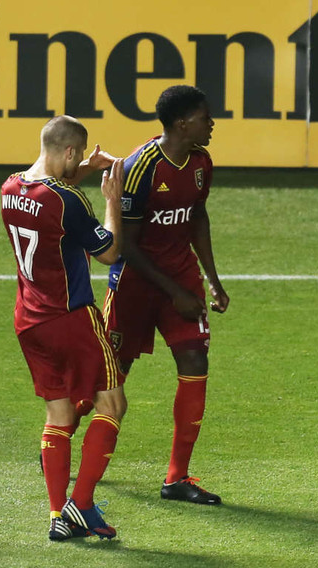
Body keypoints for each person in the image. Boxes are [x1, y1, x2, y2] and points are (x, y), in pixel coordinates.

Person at [0, 115, 127, 540]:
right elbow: (108, 251)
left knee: (58, 413)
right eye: (77, 158)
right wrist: (112, 197)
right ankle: (83, 504)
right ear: (69, 151)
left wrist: (86, 169)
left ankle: (58, 515)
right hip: (71, 316)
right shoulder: (69, 199)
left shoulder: (8, 188)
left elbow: (50, 199)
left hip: (29, 320)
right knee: (111, 404)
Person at [104, 85, 229, 506]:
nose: (211, 124)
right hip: (135, 285)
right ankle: (61, 436)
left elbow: (197, 218)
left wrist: (211, 279)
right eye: (204, 117)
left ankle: (176, 478)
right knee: (108, 376)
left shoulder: (201, 163)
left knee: (195, 358)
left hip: (180, 277)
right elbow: (126, 246)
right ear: (181, 123)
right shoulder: (141, 167)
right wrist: (175, 292)